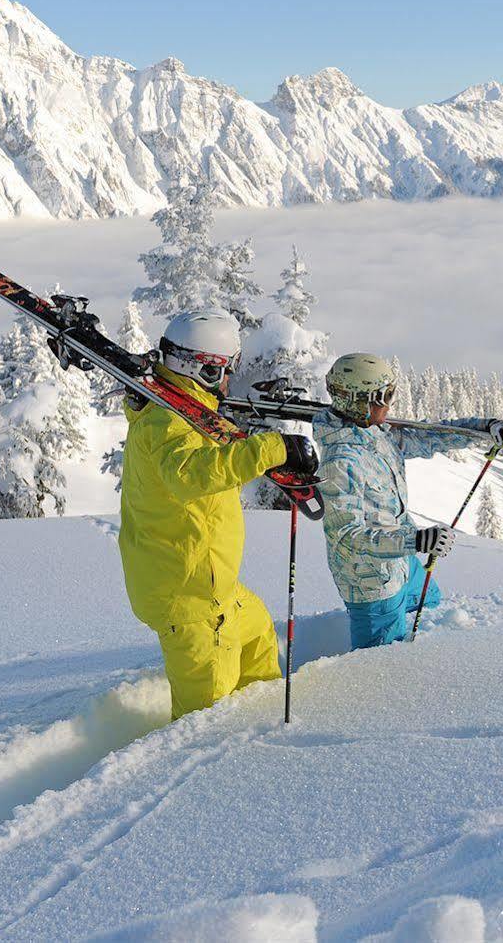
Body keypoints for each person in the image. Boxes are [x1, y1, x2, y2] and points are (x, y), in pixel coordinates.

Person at [119, 308, 317, 720]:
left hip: (212, 589)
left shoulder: (181, 411)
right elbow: (191, 474)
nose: (230, 380)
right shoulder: (166, 424)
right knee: (203, 719)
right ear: (203, 369)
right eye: (226, 369)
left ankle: (255, 728)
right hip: (189, 600)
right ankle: (205, 771)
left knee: (259, 629)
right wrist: (273, 450)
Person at [314, 353, 503, 649]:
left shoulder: (376, 434)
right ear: (358, 402)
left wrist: (484, 429)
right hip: (372, 584)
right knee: (381, 667)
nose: (389, 403)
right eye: (384, 396)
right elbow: (347, 538)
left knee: (431, 603)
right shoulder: (340, 462)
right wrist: (416, 541)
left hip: (401, 563)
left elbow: (431, 436)